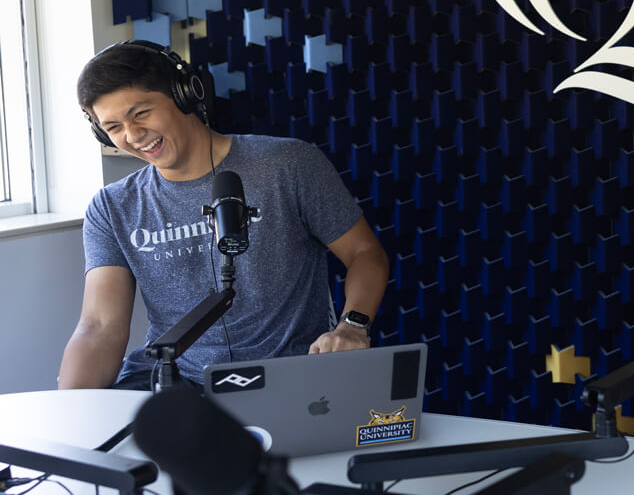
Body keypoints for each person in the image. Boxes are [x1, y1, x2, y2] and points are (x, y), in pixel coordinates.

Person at [59, 41, 390, 390]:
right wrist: (69, 411)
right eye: (113, 128)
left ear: (184, 94)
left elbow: (365, 254)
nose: (132, 135)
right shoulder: (111, 207)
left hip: (287, 375)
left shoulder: (288, 164)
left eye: (141, 113)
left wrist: (352, 326)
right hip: (175, 382)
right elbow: (98, 326)